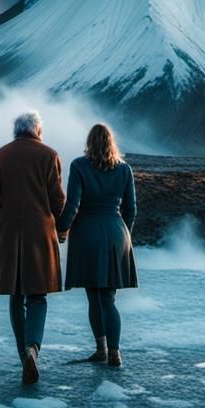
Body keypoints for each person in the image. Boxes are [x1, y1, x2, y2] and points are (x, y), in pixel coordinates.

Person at [0, 110, 66, 385]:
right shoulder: (49, 155)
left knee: (15, 294)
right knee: (37, 295)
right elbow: (57, 199)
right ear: (37, 130)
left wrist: (2, 219)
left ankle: (23, 355)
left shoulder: (2, 154)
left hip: (9, 232)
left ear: (16, 130)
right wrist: (62, 227)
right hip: (40, 233)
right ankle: (33, 348)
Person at [57, 123, 137, 367]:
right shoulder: (124, 169)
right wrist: (125, 235)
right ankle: (114, 352)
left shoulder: (79, 166)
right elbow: (131, 208)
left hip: (87, 234)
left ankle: (101, 349)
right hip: (116, 232)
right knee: (108, 299)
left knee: (94, 296)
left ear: (90, 142)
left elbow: (73, 205)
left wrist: (60, 229)